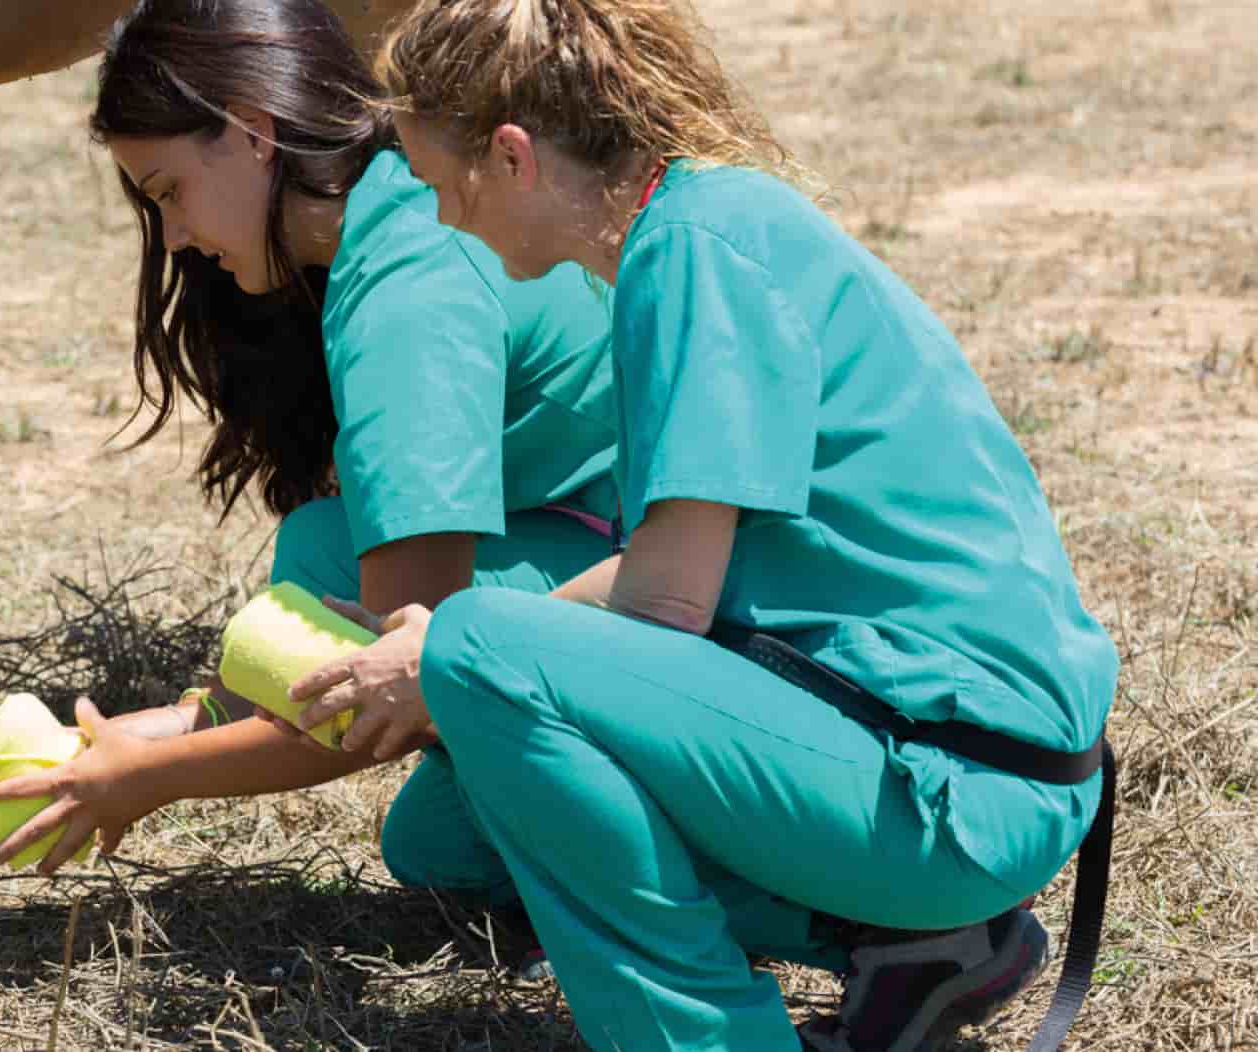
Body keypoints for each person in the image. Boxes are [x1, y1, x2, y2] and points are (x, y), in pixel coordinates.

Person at [276, 0, 1119, 1048]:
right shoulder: (698, 225)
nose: (444, 220)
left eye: (445, 187)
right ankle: (913, 942)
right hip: (953, 754)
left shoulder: (690, 251)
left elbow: (667, 596)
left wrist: (441, 650)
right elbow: (674, 577)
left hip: (946, 782)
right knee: (450, 812)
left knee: (483, 653)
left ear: (512, 155)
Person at [0, 0, 620, 954]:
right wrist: (181, 724)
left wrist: (146, 782)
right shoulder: (398, 199)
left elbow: (394, 677)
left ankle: (791, 885)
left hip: (686, 606)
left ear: (252, 133)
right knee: (430, 820)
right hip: (618, 556)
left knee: (349, 616)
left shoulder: (404, 293)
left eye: (169, 190)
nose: (177, 235)